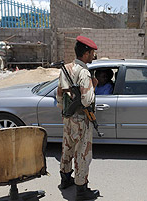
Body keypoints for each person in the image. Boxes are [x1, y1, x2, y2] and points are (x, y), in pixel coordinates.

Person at [56, 36, 100, 200]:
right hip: (82, 119)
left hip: (67, 117)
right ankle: (81, 189)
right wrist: (93, 86)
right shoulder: (84, 73)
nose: (93, 56)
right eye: (92, 53)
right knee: (83, 153)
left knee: (67, 148)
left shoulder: (65, 68)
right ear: (86, 53)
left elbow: (59, 93)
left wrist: (64, 110)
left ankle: (65, 180)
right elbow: (87, 100)